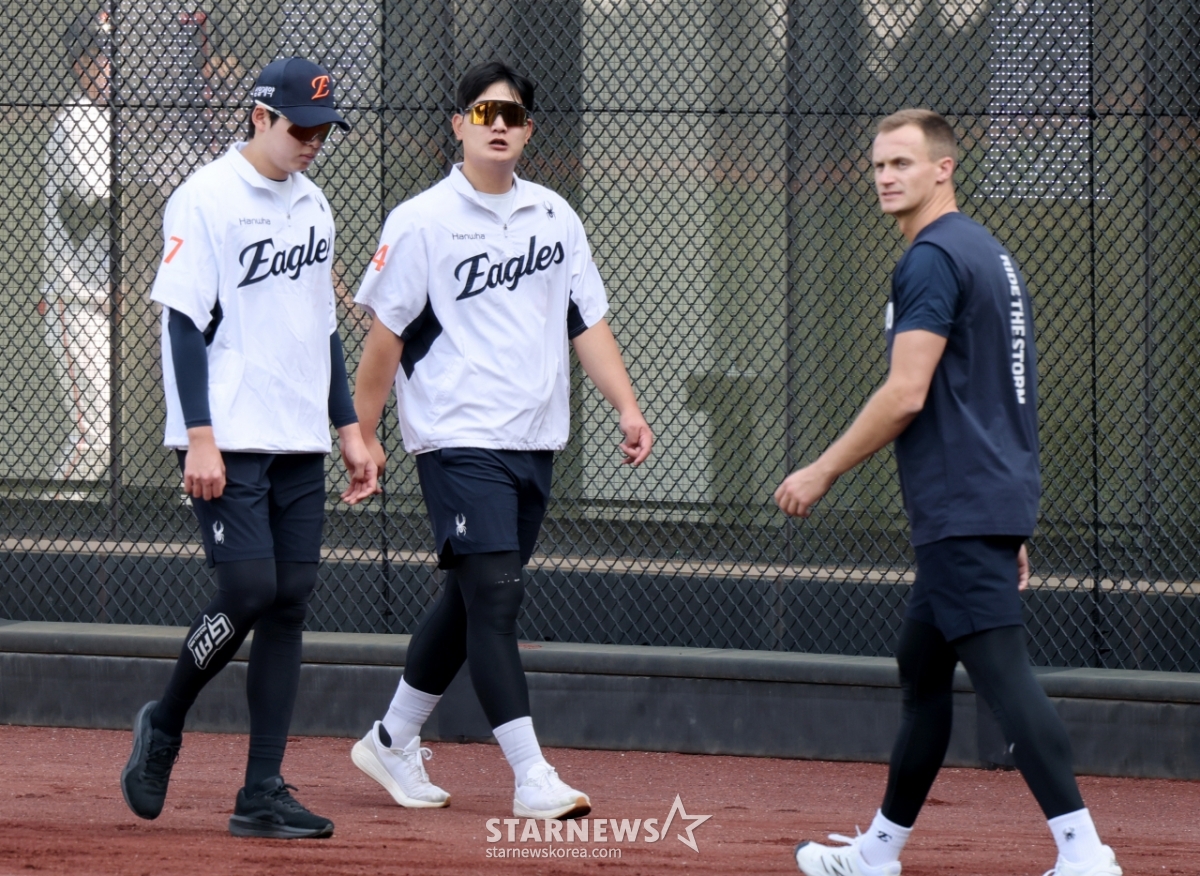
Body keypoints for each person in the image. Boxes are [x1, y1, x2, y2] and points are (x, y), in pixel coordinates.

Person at [776, 109, 1121, 876]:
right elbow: (1000, 390)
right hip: (981, 502)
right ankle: (878, 853)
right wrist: (1008, 517)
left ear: (944, 168)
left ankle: (1084, 852)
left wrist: (821, 469)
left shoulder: (931, 259)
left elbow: (906, 393)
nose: (885, 177)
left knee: (1004, 677)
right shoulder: (988, 253)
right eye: (878, 165)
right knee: (923, 668)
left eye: (902, 162)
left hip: (962, 505)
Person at [350, 60, 653, 820]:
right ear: (458, 125)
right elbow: (385, 336)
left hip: (534, 440)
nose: (497, 126)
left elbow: (587, 322)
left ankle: (391, 738)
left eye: (511, 116)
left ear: (528, 131)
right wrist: (364, 432)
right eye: (483, 113)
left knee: (469, 599)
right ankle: (530, 774)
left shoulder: (555, 215)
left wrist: (626, 405)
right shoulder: (420, 220)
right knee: (497, 595)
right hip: (456, 437)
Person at [119, 57, 376, 839]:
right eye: (301, 127)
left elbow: (323, 328)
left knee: (290, 599)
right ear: (260, 117)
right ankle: (165, 721)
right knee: (248, 590)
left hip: (298, 434)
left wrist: (349, 428)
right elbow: (181, 321)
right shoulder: (206, 195)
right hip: (226, 433)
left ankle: (261, 789)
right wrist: (199, 436)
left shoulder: (314, 203)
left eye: (324, 129)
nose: (313, 141)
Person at [41, 10, 114, 481]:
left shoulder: (116, 118)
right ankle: (50, 518)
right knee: (96, 434)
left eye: (110, 56)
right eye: (96, 57)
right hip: (77, 303)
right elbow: (101, 195)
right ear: (79, 64)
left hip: (112, 305)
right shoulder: (77, 119)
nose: (105, 66)